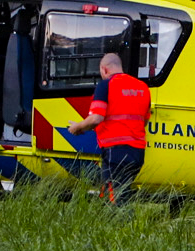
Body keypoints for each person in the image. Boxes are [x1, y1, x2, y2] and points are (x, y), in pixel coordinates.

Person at [59, 50, 150, 201]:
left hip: (116, 151)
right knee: (113, 192)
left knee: (117, 198)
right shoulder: (142, 87)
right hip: (138, 152)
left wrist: (78, 128)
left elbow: (96, 118)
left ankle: (122, 223)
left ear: (104, 69)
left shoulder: (106, 85)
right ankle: (108, 221)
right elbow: (144, 121)